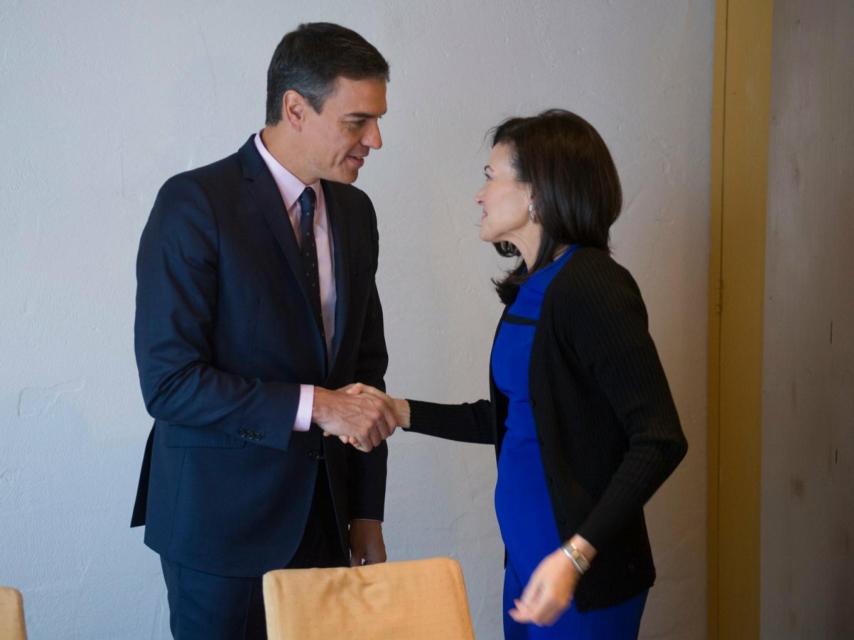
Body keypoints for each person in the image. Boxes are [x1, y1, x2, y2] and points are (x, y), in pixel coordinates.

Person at [350, 110, 688, 639]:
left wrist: (574, 557)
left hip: (580, 578)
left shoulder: (594, 284)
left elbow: (660, 439)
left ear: (537, 192)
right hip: (528, 569)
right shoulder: (532, 289)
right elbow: (518, 419)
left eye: (490, 176)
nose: (479, 195)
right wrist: (401, 412)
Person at [130, 23, 398, 640]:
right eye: (358, 121)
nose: (375, 140)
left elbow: (366, 373)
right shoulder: (194, 203)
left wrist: (366, 513)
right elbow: (170, 383)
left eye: (378, 121)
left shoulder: (356, 214)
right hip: (219, 532)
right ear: (295, 109)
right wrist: (317, 406)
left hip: (328, 524)